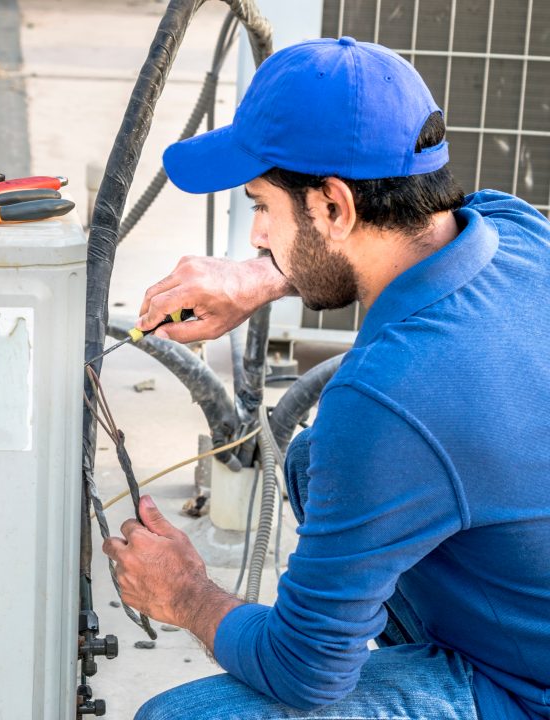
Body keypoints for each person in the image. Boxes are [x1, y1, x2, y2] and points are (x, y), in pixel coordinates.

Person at [103, 36, 550, 720]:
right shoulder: (513, 231)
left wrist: (187, 593)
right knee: (315, 462)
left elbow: (304, 672)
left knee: (180, 718)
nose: (255, 236)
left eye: (261, 206)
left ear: (334, 207)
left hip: (527, 688)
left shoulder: (388, 399)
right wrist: (261, 280)